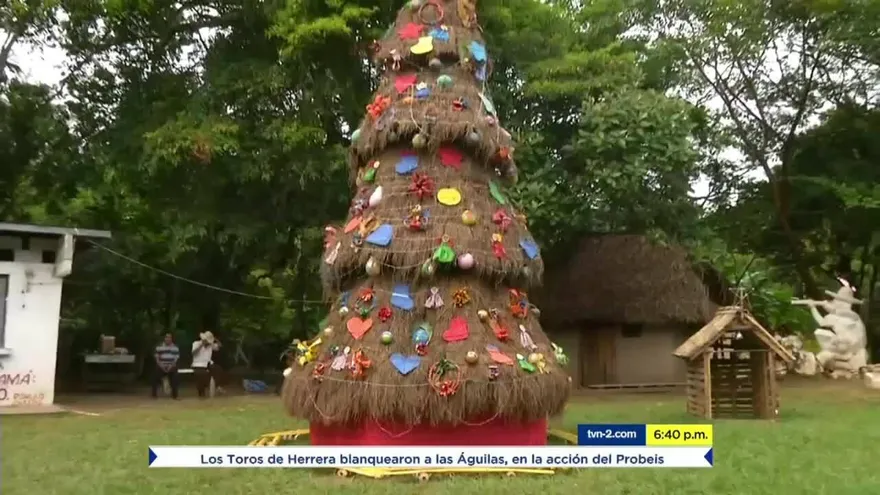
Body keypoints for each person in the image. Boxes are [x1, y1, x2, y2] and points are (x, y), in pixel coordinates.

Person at [191, 331, 221, 398]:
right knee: (201, 375)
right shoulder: (196, 343)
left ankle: (217, 386)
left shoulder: (210, 345)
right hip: (198, 364)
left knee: (217, 369)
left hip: (208, 363)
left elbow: (219, 346)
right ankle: (201, 392)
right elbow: (193, 353)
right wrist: (201, 345)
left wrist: (215, 339)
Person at [152, 333, 180, 399]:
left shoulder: (175, 348)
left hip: (171, 366)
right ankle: (154, 394)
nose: (168, 339)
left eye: (169, 337)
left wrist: (170, 366)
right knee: (154, 377)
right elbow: (157, 358)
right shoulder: (159, 347)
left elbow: (175, 359)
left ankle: (174, 395)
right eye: (166, 337)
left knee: (175, 377)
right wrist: (162, 366)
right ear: (164, 338)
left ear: (172, 339)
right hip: (161, 365)